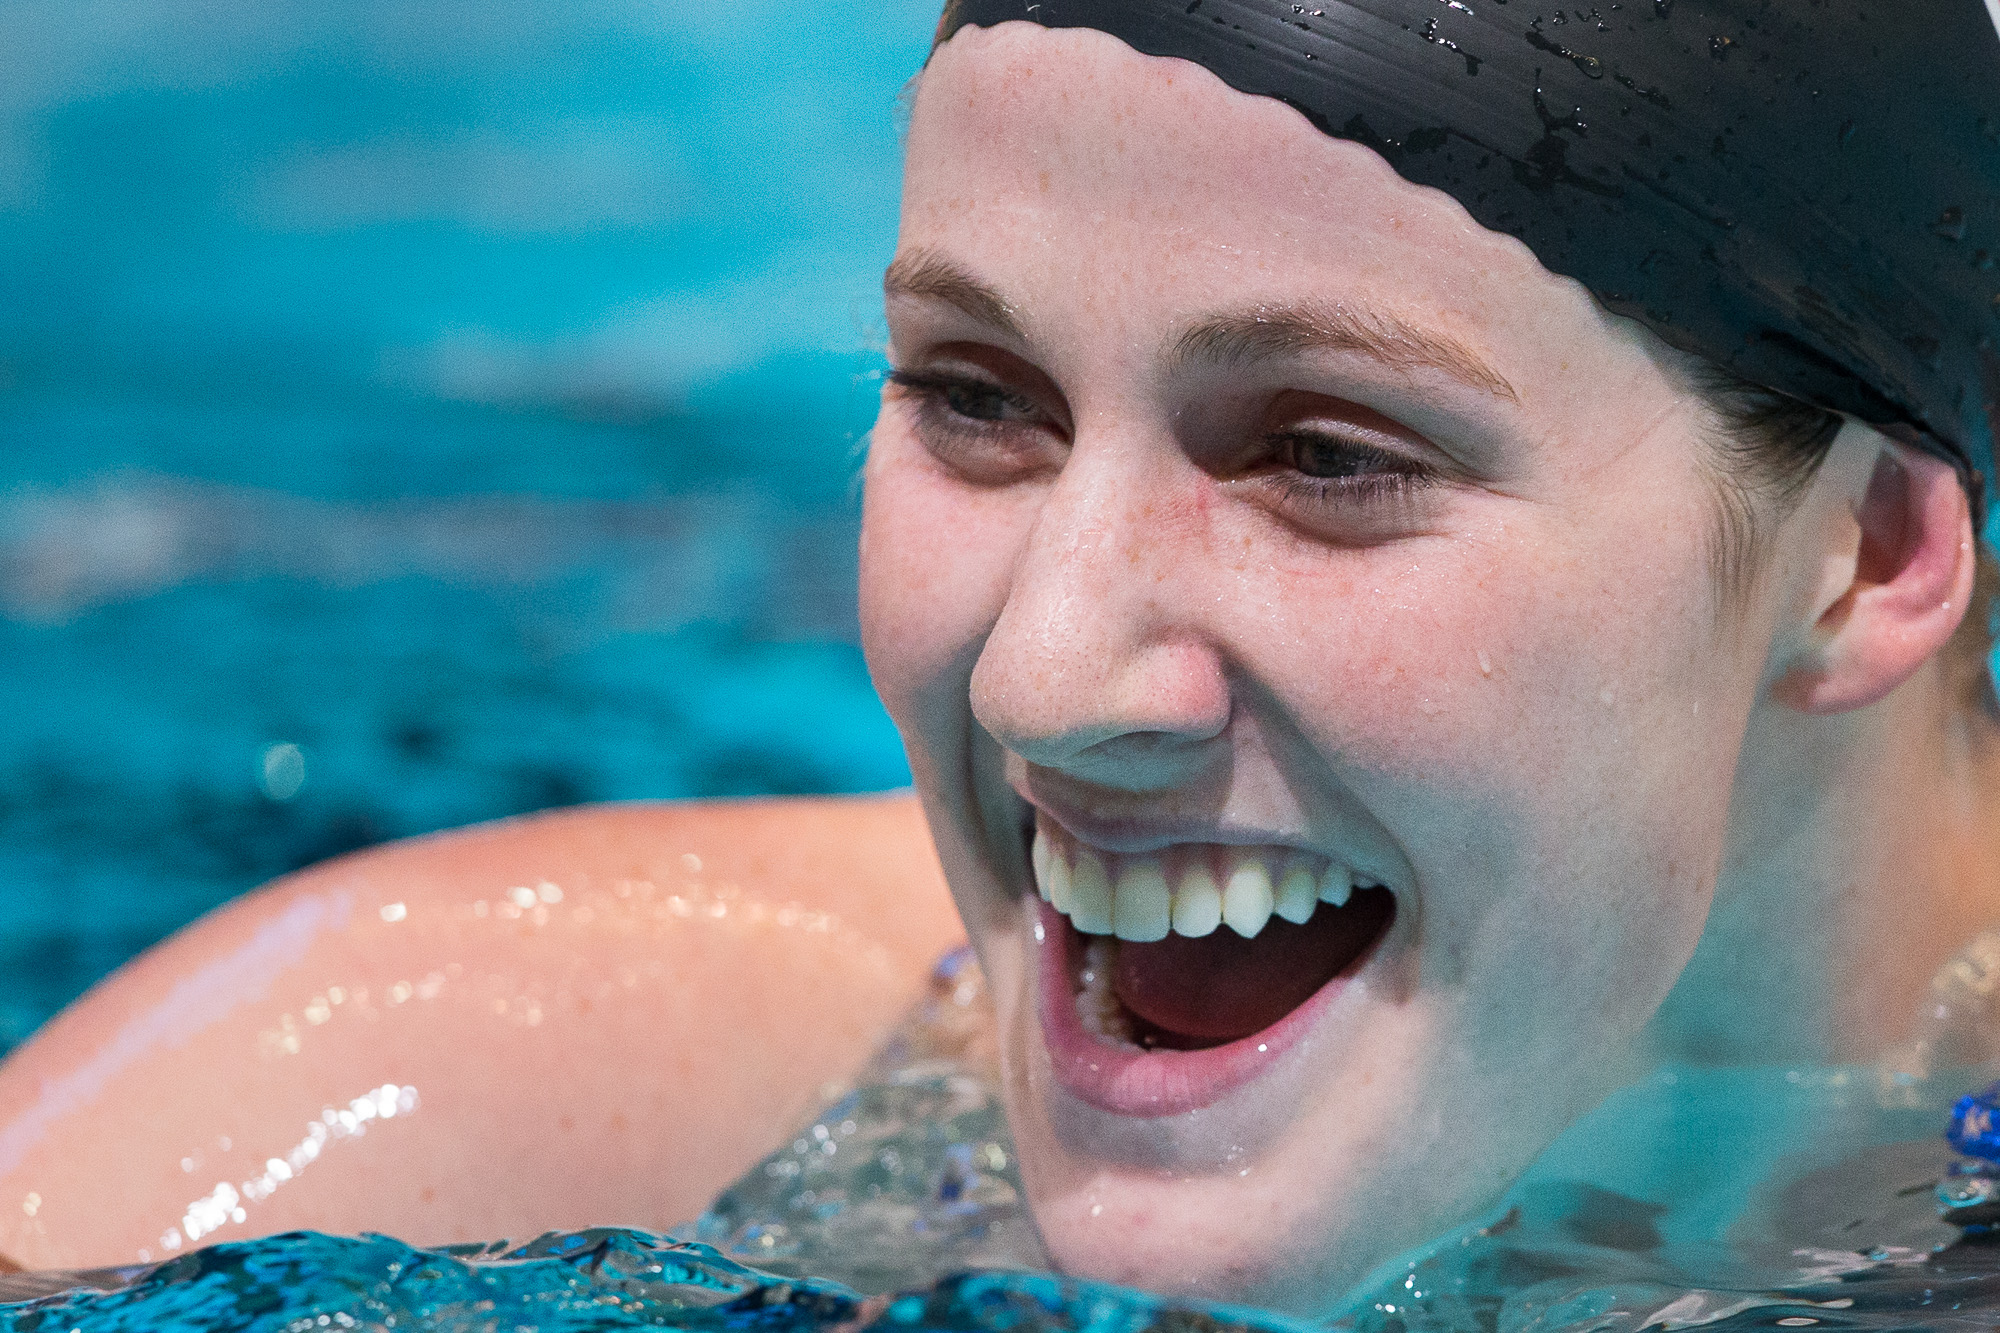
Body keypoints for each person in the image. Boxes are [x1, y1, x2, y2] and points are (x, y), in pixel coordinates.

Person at [1, 0, 1996, 1319]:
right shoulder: (472, 1076)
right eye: (978, 401)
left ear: (1870, 555)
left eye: (1320, 456)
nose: (1047, 678)